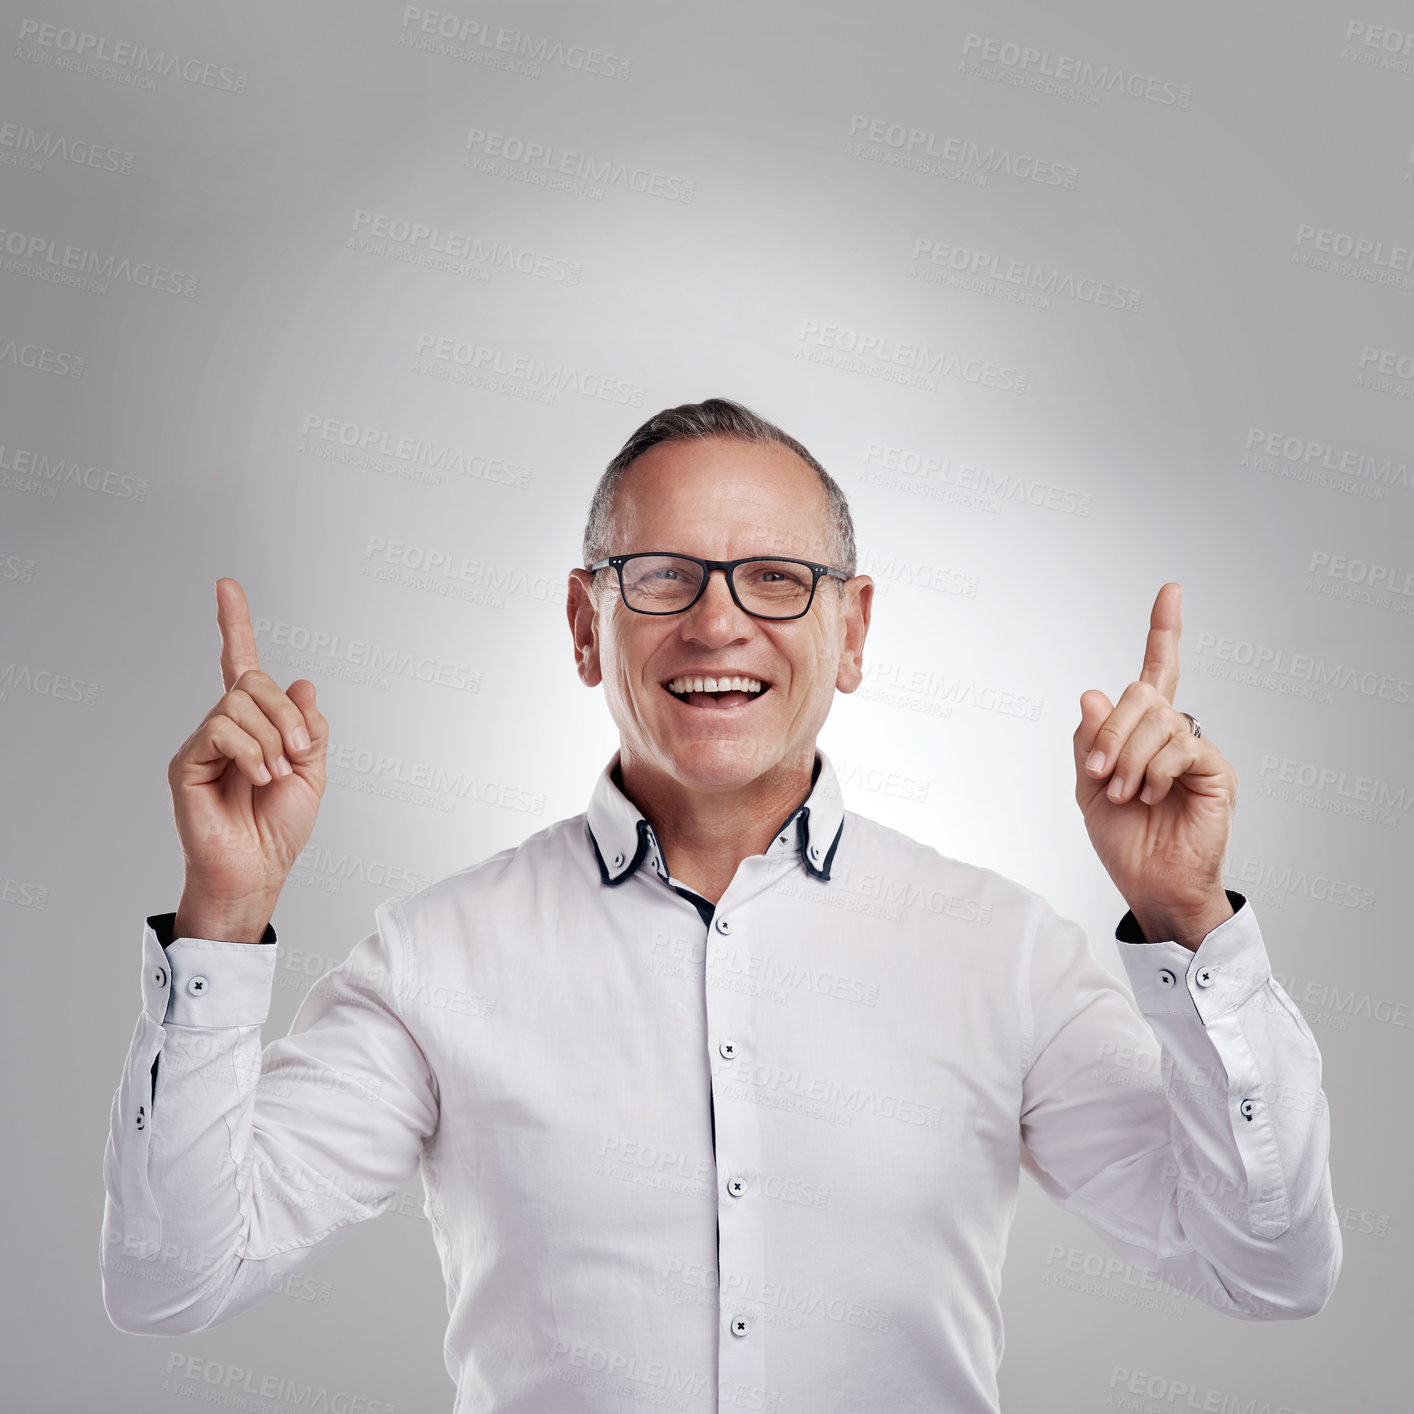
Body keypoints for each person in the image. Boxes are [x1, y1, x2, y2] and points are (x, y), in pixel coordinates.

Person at [101, 398, 1341, 1414]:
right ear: (587, 625)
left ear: (852, 632)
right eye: (661, 576)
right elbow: (172, 1280)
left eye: (776, 578)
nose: (715, 620)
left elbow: (1267, 1266)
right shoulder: (437, 954)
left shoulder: (1001, 953)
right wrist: (221, 916)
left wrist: (1189, 920)